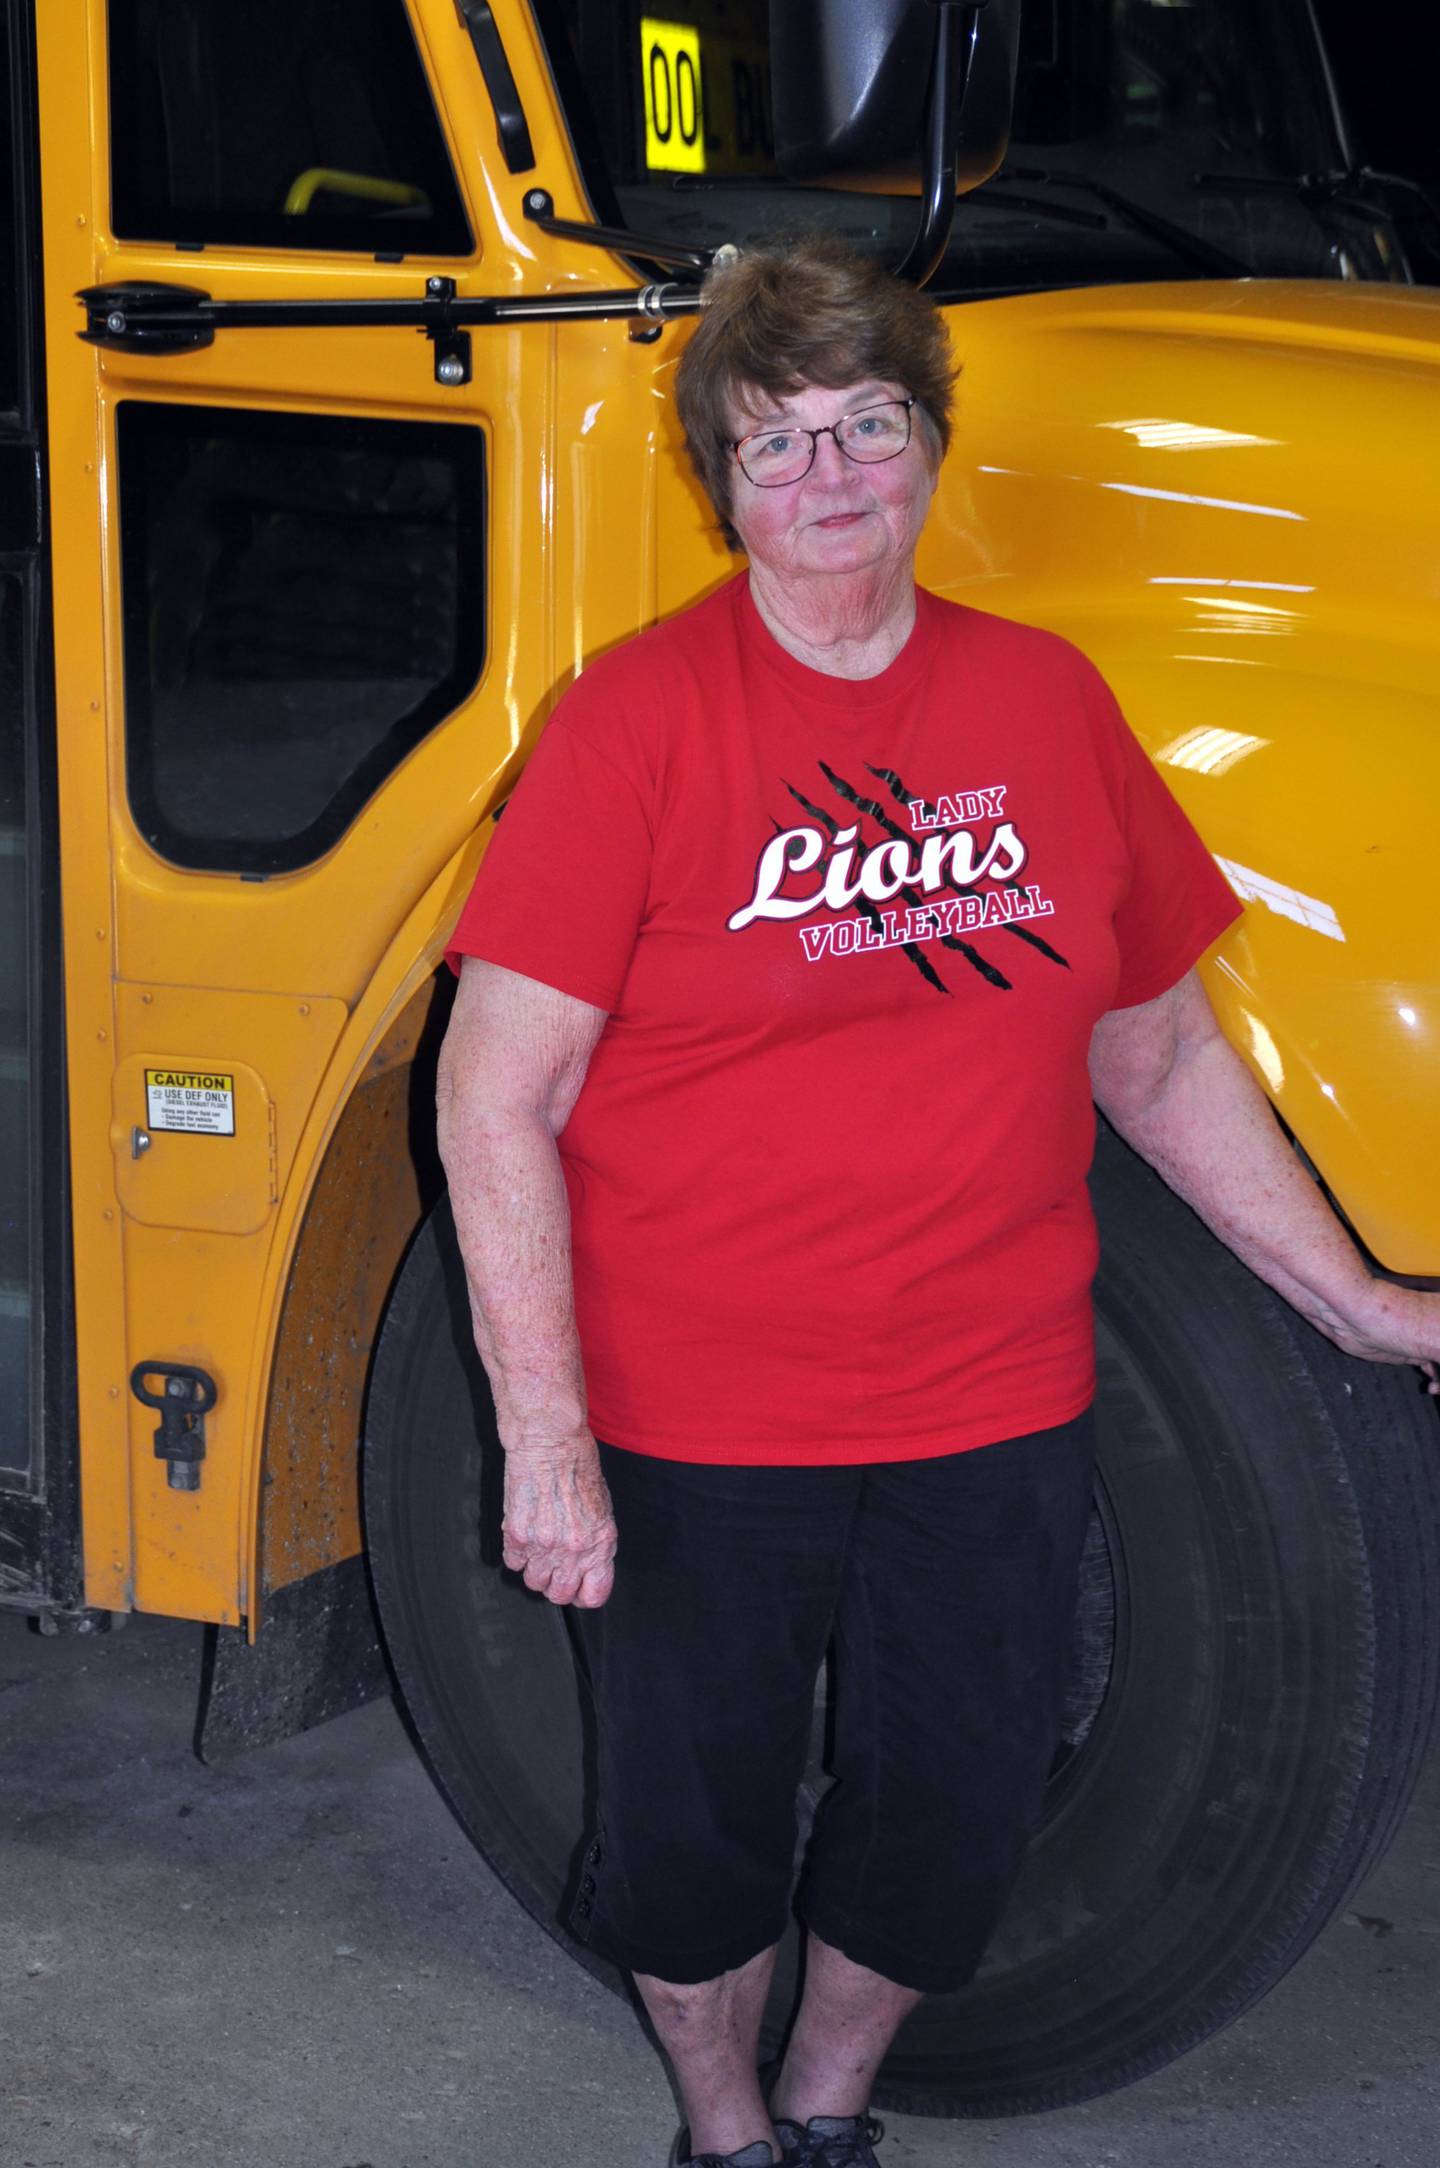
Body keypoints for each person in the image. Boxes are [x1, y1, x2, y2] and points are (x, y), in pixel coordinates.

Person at [436, 237, 1440, 2168]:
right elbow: (498, 1092)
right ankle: (723, 2127)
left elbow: (1154, 1060)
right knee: (693, 1833)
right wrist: (545, 1442)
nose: (826, 479)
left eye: (865, 424)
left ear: (928, 442)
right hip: (697, 1421)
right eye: (773, 442)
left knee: (951, 1812)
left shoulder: (1046, 705)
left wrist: (1364, 1305)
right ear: (718, 483)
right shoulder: (635, 725)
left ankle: (828, 2113)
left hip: (990, 1407)